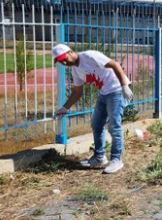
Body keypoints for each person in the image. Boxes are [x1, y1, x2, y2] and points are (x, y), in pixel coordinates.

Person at [52, 44, 132, 174]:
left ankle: (116, 160)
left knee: (114, 126)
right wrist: (64, 108)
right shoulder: (75, 70)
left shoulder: (89, 56)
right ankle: (99, 157)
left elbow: (115, 65)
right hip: (104, 93)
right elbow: (78, 92)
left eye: (64, 58)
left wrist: (124, 86)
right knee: (96, 124)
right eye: (60, 61)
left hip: (117, 90)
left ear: (70, 52)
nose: (64, 62)